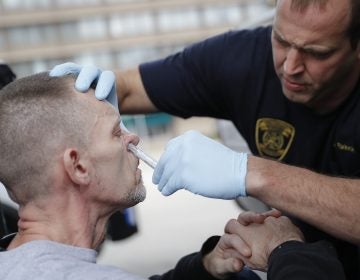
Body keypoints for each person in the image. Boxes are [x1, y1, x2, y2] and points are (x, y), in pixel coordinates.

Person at [51, 0, 360, 278]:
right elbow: (129, 86)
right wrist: (86, 91)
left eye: (316, 53)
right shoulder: (242, 59)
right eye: (280, 40)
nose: (290, 66)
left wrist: (253, 173)